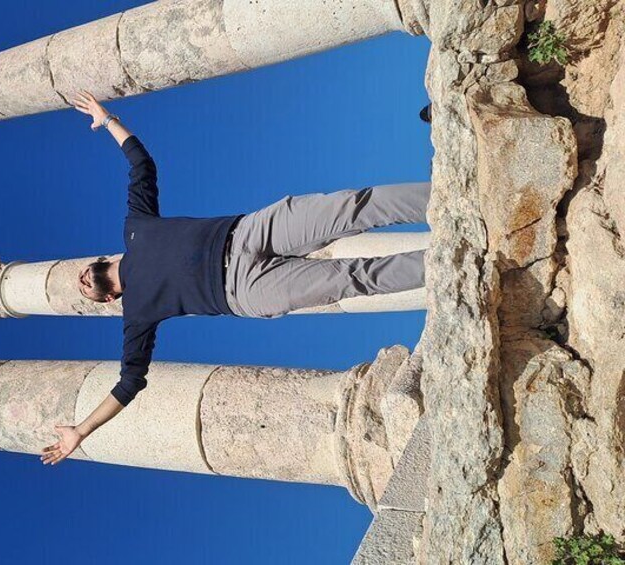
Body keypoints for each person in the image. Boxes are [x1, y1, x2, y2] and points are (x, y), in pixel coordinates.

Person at [41, 92, 429, 466]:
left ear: (102, 259)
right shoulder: (137, 314)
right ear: (108, 300)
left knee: (353, 207)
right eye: (84, 292)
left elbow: (141, 166)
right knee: (354, 279)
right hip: (244, 290)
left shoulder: (135, 228)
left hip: (248, 232)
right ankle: (441, 262)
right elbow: (129, 382)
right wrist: (81, 430)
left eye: (80, 276)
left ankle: (441, 195)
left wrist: (107, 119)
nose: (80, 282)